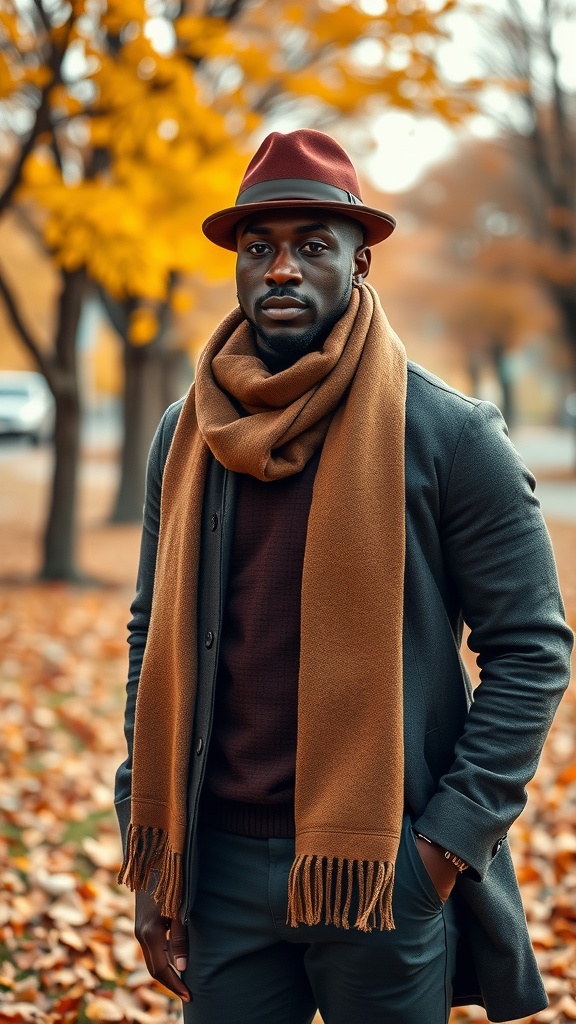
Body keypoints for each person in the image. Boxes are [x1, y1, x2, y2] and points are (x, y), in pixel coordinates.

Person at [115, 129, 573, 1024]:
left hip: (380, 872)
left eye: (312, 247)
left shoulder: (448, 434)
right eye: (260, 248)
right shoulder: (186, 435)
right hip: (218, 874)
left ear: (361, 263)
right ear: (239, 266)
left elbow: (532, 650)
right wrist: (153, 844)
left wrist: (443, 847)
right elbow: (149, 636)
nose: (281, 269)